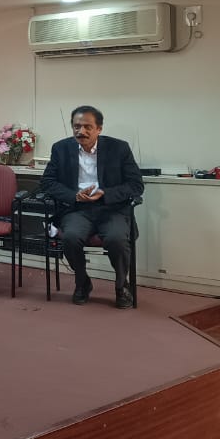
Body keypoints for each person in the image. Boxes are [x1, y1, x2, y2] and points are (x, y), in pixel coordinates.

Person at [39, 105, 144, 309]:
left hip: (111, 208)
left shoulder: (119, 148)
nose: (81, 131)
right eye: (77, 126)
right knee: (70, 237)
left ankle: (121, 285)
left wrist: (105, 193)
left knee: (117, 239)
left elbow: (136, 185)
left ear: (99, 129)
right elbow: (48, 183)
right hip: (77, 209)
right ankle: (82, 282)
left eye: (88, 127)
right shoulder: (61, 148)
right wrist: (74, 196)